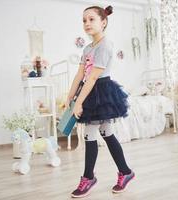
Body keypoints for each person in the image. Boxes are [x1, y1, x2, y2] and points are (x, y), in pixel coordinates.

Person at [64, 5, 135, 198]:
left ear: (103, 22)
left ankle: (89, 178)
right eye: (84, 20)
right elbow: (81, 73)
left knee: (92, 134)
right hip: (90, 90)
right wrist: (71, 95)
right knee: (106, 132)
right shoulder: (88, 47)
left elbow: (93, 77)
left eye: (91, 19)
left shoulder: (105, 45)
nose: (87, 23)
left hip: (101, 91)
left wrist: (79, 102)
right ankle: (126, 172)